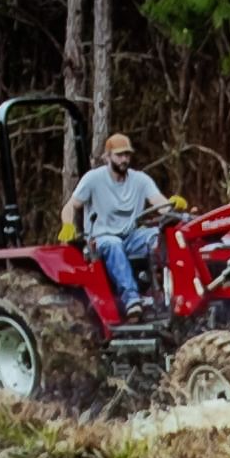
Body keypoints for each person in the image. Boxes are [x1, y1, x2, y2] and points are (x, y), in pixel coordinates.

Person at [68, 132, 167, 320]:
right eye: (119, 155)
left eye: (127, 155)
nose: (124, 159)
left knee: (160, 235)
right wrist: (67, 225)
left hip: (131, 236)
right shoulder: (93, 179)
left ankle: (164, 294)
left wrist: (173, 208)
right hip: (101, 239)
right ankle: (131, 299)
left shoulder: (140, 180)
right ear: (107, 157)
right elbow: (71, 205)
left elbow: (160, 203)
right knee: (114, 244)